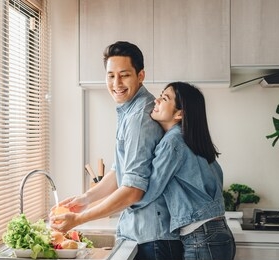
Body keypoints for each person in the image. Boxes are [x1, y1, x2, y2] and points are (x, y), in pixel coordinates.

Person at [49, 41, 183, 260]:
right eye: (111, 75)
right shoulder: (130, 111)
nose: (116, 83)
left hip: (154, 239)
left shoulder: (139, 118)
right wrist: (86, 198)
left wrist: (79, 220)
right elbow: (121, 171)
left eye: (124, 75)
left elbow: (132, 189)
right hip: (149, 236)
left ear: (141, 75)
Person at [131, 81, 236, 260]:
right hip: (218, 233)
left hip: (202, 238)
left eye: (164, 98)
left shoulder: (173, 142)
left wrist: (125, 203)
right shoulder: (193, 141)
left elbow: (152, 190)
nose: (156, 100)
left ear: (180, 113)